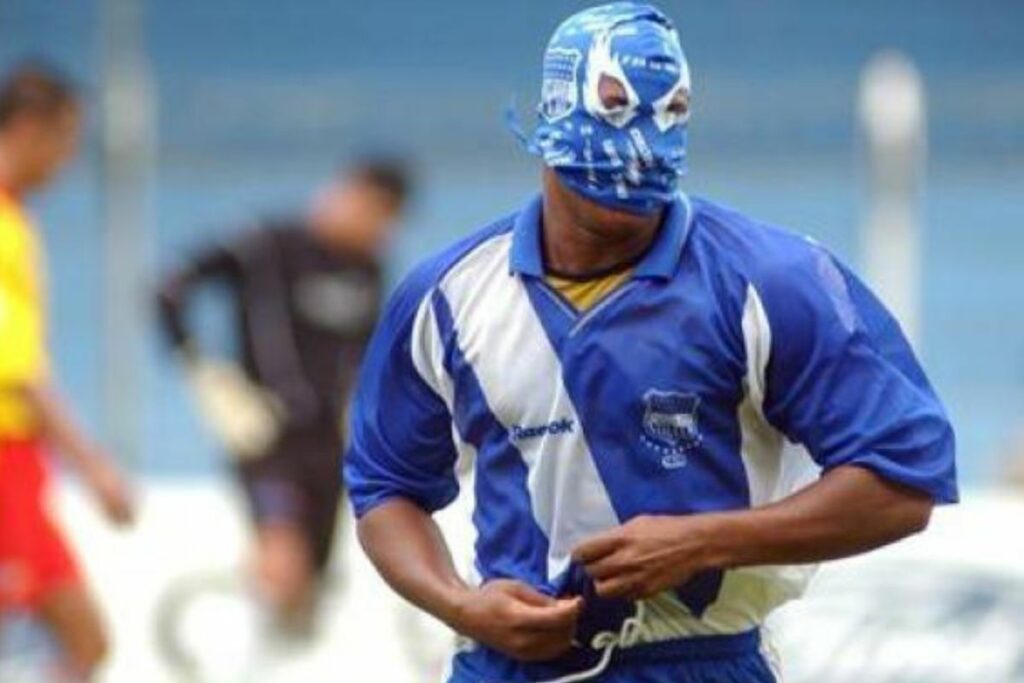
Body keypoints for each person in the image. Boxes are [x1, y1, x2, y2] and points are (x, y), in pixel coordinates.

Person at [346, 4, 957, 683]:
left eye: (672, 110)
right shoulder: (449, 293)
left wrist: (702, 541)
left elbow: (903, 481)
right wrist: (462, 604)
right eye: (614, 106)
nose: (643, 137)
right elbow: (386, 485)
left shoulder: (774, 281)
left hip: (701, 662)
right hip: (507, 666)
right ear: (557, 105)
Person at [156, 158, 410, 632]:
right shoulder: (266, 245)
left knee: (309, 592)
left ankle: (269, 645)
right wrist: (206, 375)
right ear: (343, 192)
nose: (374, 227)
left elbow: (371, 354)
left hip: (330, 446)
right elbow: (168, 288)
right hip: (267, 434)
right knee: (282, 561)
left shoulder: (369, 269)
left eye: (386, 219)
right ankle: (235, 634)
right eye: (368, 208)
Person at [0, 63, 136, 678]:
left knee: (84, 641)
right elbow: (19, 367)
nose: (67, 160)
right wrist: (97, 467)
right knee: (77, 637)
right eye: (66, 142)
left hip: (22, 462)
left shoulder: (17, 220)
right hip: (4, 458)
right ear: (30, 129)